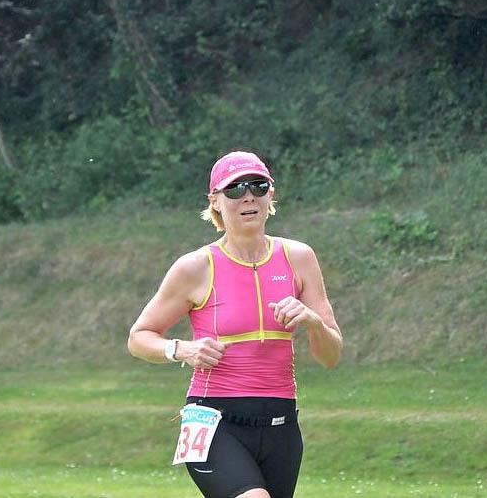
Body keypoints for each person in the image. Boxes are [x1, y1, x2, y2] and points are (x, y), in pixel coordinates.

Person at [127, 150, 343, 498]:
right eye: (234, 189)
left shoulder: (299, 258)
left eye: (258, 186)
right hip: (214, 421)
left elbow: (331, 356)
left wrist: (313, 322)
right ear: (214, 200)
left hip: (281, 425)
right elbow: (139, 337)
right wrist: (182, 349)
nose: (248, 197)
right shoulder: (195, 267)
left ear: (271, 195)